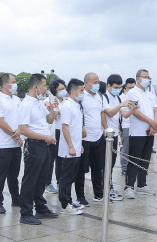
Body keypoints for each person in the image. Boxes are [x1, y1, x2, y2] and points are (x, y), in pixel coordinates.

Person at [17, 73, 59, 224]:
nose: (45, 88)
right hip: (34, 145)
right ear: (36, 87)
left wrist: (54, 108)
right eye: (44, 85)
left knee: (41, 180)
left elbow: (48, 119)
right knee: (30, 180)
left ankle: (41, 209)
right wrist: (44, 137)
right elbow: (23, 130)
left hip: (44, 145)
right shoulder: (26, 105)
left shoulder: (39, 102)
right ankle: (26, 213)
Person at [0, 73, 23, 214]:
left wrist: (19, 132)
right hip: (3, 145)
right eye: (13, 81)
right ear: (5, 84)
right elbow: (1, 122)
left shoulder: (17, 99)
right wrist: (15, 135)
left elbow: (22, 118)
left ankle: (16, 199)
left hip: (15, 146)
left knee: (14, 176)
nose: (15, 84)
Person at [123, 69, 157, 198]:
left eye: (148, 77)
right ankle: (129, 187)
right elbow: (136, 112)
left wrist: (154, 124)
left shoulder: (149, 94)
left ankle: (142, 185)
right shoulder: (132, 93)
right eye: (145, 77)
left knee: (145, 159)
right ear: (138, 78)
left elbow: (155, 109)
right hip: (137, 132)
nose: (147, 79)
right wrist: (151, 122)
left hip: (150, 132)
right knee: (134, 160)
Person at [78, 73, 110, 206]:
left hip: (98, 136)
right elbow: (77, 113)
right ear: (86, 83)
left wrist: (106, 128)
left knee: (98, 167)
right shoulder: (80, 97)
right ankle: (80, 197)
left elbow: (102, 113)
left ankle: (99, 194)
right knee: (81, 169)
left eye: (98, 81)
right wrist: (81, 127)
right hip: (85, 138)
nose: (97, 84)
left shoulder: (99, 96)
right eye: (94, 82)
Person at [58, 79, 85, 215]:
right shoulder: (67, 106)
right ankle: (64, 205)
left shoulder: (76, 105)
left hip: (76, 147)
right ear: (73, 91)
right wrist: (71, 146)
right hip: (69, 150)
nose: (83, 93)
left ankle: (69, 200)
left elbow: (76, 128)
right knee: (66, 178)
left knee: (72, 176)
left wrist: (79, 145)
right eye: (81, 90)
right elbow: (65, 127)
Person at [104, 75, 131, 201]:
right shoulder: (104, 97)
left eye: (119, 87)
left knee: (112, 163)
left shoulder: (118, 97)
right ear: (109, 86)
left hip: (115, 135)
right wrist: (120, 105)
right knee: (105, 164)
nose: (117, 90)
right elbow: (109, 113)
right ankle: (107, 189)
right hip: (106, 136)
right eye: (115, 87)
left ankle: (109, 188)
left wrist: (133, 109)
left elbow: (124, 115)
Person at [44, 79, 66, 195]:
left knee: (61, 159)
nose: (63, 91)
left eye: (64, 88)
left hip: (63, 131)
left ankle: (59, 182)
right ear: (54, 90)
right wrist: (51, 106)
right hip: (53, 132)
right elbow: (50, 111)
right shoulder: (49, 100)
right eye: (60, 89)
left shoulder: (66, 101)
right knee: (50, 159)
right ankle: (47, 183)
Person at [119, 78, 135, 176]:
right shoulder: (121, 98)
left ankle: (133, 167)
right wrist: (119, 128)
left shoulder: (134, 98)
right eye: (129, 88)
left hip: (135, 126)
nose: (131, 89)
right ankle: (124, 168)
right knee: (125, 148)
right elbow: (121, 115)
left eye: (133, 87)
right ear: (125, 88)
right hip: (125, 126)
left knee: (134, 148)